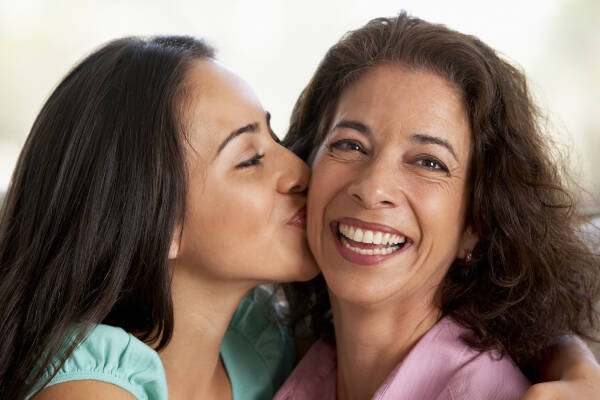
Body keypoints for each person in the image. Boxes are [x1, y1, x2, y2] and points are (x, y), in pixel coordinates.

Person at [276, 13, 600, 400]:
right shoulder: (281, 362)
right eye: (349, 144)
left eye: (429, 162)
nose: (373, 187)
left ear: (475, 224)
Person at [0, 36, 318, 399]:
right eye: (249, 159)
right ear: (160, 223)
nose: (300, 172)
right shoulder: (85, 387)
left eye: (274, 138)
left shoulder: (263, 350)